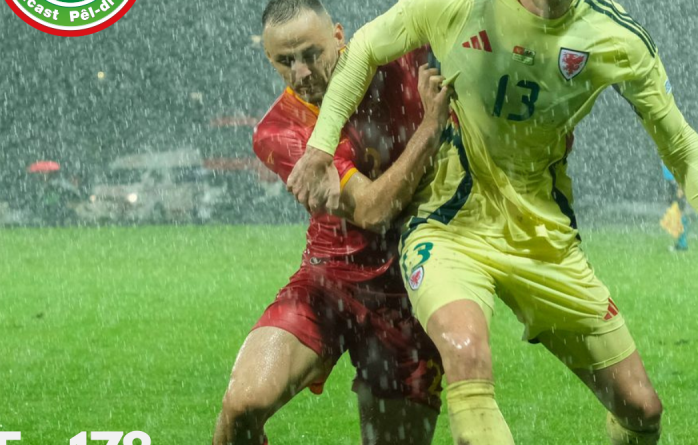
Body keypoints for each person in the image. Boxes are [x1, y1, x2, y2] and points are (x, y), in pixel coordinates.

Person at [285, 0, 698, 443]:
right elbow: (364, 46)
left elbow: (681, 147)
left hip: (545, 239)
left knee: (642, 411)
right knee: (467, 356)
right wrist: (321, 146)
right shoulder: (456, 5)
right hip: (450, 223)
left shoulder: (618, 37)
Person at [212, 1, 455, 444]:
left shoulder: (400, 58)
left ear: (341, 38)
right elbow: (372, 210)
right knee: (241, 407)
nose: (301, 73)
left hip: (412, 286)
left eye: (311, 54)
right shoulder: (279, 131)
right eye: (285, 61)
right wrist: (430, 128)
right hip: (329, 278)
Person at [660, 164, 689, 251]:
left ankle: (682, 243)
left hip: (677, 180)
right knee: (678, 211)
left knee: (680, 211)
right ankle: (681, 242)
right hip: (673, 180)